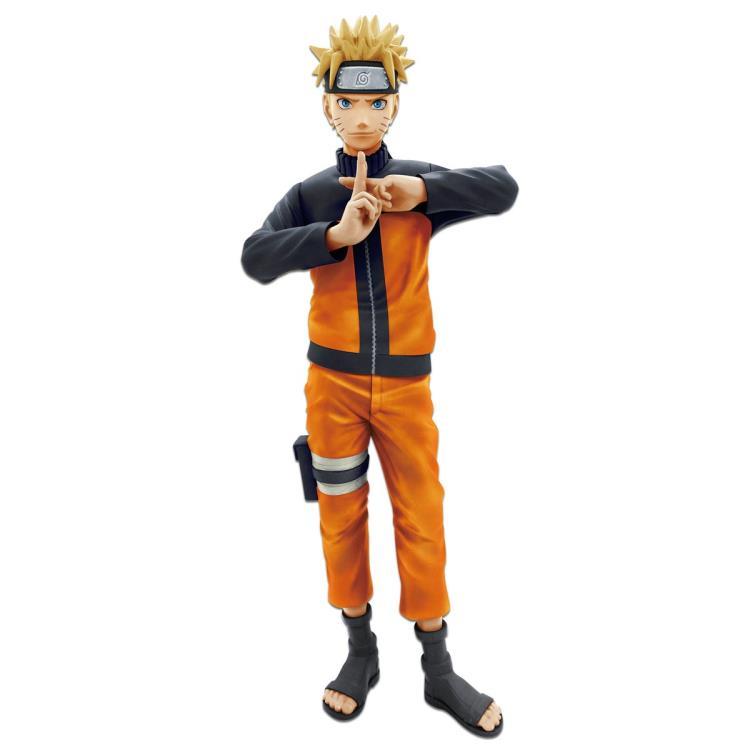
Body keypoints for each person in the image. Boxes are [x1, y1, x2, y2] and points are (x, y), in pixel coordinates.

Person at [241, 15, 517, 737]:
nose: (361, 116)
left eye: (376, 101)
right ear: (326, 107)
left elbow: (503, 188)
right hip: (330, 389)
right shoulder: (311, 194)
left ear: (395, 104)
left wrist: (419, 193)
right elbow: (254, 255)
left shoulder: (419, 184)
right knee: (339, 515)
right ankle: (360, 651)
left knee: (422, 515)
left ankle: (437, 667)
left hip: (406, 389)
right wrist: (333, 236)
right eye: (347, 102)